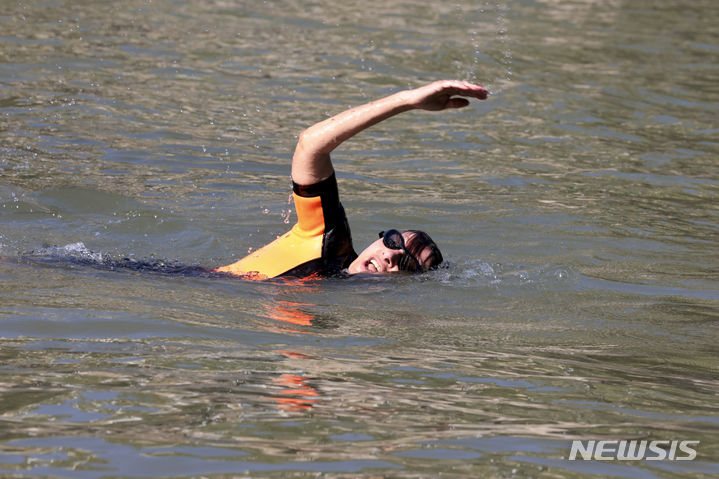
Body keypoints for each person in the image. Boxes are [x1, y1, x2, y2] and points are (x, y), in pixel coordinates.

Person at [214, 80, 489, 280]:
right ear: (380, 239)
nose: (389, 256)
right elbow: (310, 145)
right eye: (394, 242)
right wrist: (406, 101)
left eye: (405, 263)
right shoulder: (328, 240)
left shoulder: (341, 298)